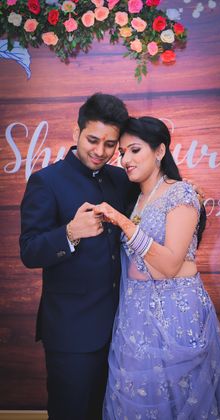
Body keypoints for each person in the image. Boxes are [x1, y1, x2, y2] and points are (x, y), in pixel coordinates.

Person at [94, 116, 220, 419]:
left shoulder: (180, 193)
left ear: (160, 151)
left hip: (175, 313)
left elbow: (171, 264)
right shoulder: (137, 198)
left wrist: (122, 222)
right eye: (122, 153)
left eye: (134, 150)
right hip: (134, 317)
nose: (126, 159)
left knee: (181, 400)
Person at [19, 93, 133, 420]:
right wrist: (69, 233)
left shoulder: (121, 179)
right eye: (93, 140)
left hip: (120, 328)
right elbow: (29, 251)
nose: (100, 152)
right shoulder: (46, 182)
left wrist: (182, 188)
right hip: (71, 332)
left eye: (110, 144)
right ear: (76, 133)